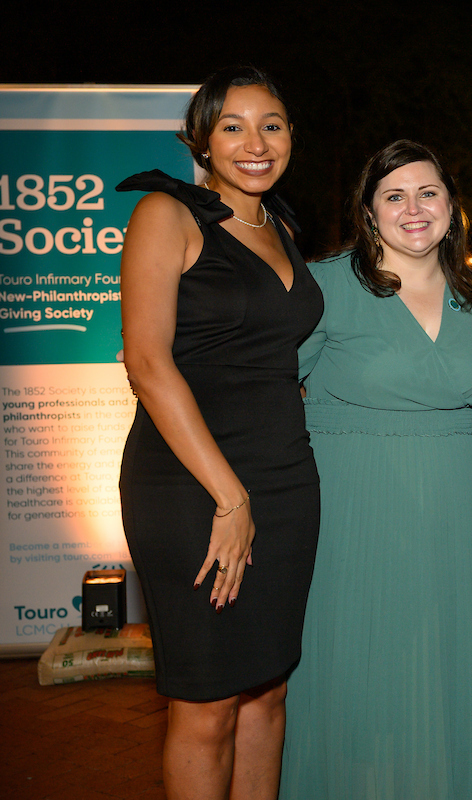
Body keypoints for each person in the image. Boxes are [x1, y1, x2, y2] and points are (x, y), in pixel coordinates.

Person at [118, 66, 322, 800]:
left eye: (272, 125)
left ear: (291, 136)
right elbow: (147, 363)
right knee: (206, 702)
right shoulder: (166, 215)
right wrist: (230, 499)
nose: (255, 143)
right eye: (233, 127)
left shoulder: (282, 228)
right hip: (191, 485)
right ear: (200, 140)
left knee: (267, 690)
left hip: (284, 479)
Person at [279, 140, 472, 799]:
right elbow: (265, 385)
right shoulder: (326, 285)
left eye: (428, 193)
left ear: (452, 207)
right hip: (353, 509)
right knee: (355, 668)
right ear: (369, 213)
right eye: (394, 196)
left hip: (451, 513)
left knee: (440, 667)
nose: (413, 208)